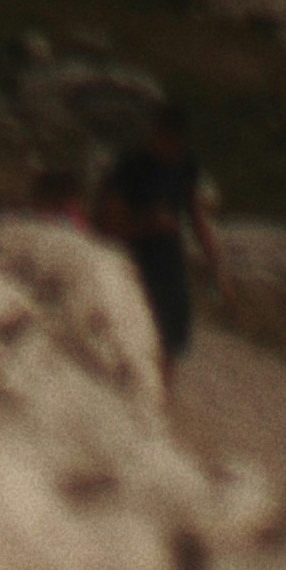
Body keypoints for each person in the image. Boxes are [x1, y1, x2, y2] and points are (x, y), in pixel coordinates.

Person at [94, 98, 222, 370]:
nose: (174, 148)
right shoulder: (133, 166)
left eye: (179, 142)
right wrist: (149, 222)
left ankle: (161, 395)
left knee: (173, 329)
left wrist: (216, 266)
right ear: (158, 134)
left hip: (167, 256)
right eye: (169, 139)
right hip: (132, 252)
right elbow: (110, 223)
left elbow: (196, 216)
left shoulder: (185, 165)